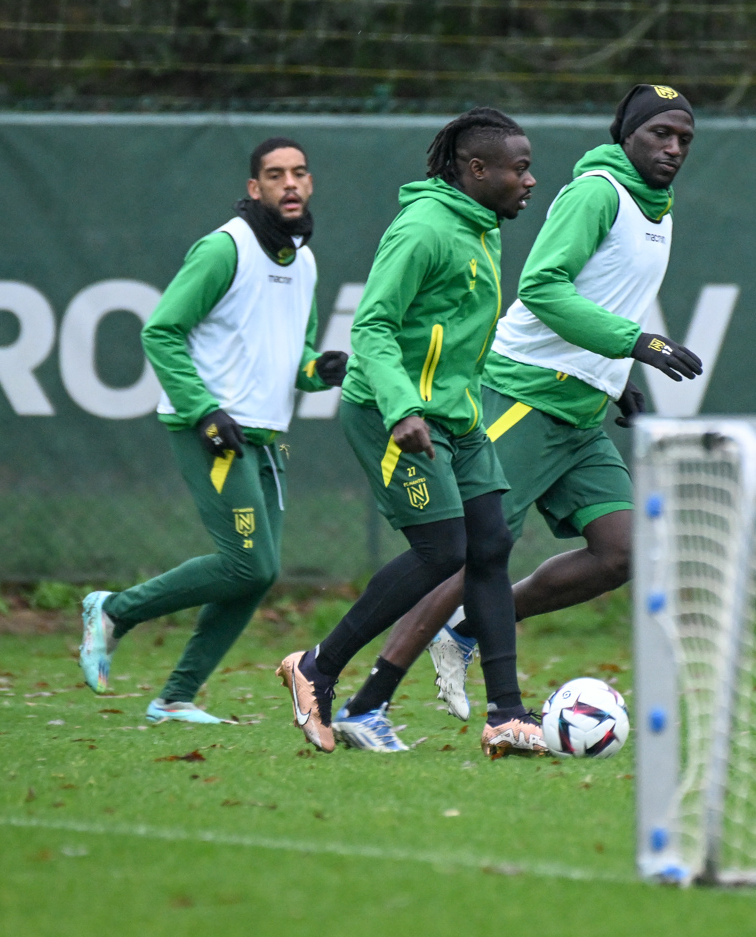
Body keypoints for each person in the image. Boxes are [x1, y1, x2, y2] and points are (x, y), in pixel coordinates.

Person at [346, 83, 702, 723]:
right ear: (627, 133)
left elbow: (603, 298)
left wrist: (615, 374)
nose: (673, 148)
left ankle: (467, 629)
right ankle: (368, 700)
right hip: (526, 392)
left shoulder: (661, 209)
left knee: (622, 551)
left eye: (684, 139)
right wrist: (635, 341)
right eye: (660, 133)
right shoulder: (598, 192)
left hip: (582, 411)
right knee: (476, 549)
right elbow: (542, 288)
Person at [275, 107, 545, 756]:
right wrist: (402, 408)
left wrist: (457, 403)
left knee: (491, 542)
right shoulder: (423, 227)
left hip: (457, 417)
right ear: (476, 170)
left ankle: (505, 714)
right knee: (444, 549)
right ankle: (318, 664)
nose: (530, 180)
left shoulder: (484, 224)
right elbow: (371, 326)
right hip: (391, 416)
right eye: (520, 168)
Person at [77, 138, 346, 725]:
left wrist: (318, 370)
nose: (290, 184)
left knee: (258, 571)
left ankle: (175, 697)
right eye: (275, 175)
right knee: (246, 564)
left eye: (299, 173)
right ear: (255, 189)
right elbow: (161, 331)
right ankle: (115, 611)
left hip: (266, 435)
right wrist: (203, 409)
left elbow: (293, 355)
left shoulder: (304, 259)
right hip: (212, 431)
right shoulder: (226, 248)